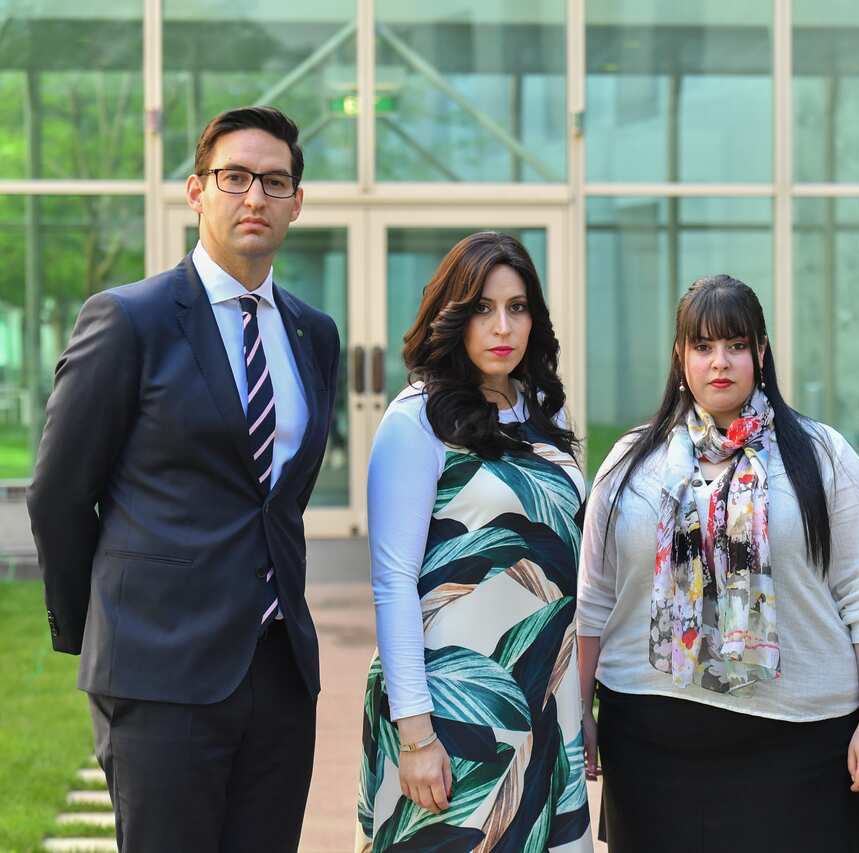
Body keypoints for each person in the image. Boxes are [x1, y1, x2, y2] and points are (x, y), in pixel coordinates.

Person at [27, 106, 340, 852]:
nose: (255, 196)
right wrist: (104, 629)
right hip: (157, 673)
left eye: (275, 181)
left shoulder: (314, 334)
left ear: (297, 202)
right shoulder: (129, 321)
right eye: (235, 177)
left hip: (279, 673)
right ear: (197, 191)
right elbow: (59, 493)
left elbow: (278, 499)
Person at [577, 275, 859, 853]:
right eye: (702, 346)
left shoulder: (824, 456)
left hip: (799, 742)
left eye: (736, 345)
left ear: (762, 352)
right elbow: (594, 598)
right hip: (651, 742)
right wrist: (580, 710)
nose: (719, 362)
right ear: (680, 358)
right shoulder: (631, 462)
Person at [357, 232, 592, 852]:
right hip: (450, 708)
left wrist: (579, 702)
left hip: (544, 697)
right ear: (453, 315)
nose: (503, 327)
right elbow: (393, 582)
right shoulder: (417, 418)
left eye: (518, 308)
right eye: (484, 308)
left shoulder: (545, 411)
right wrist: (416, 734)